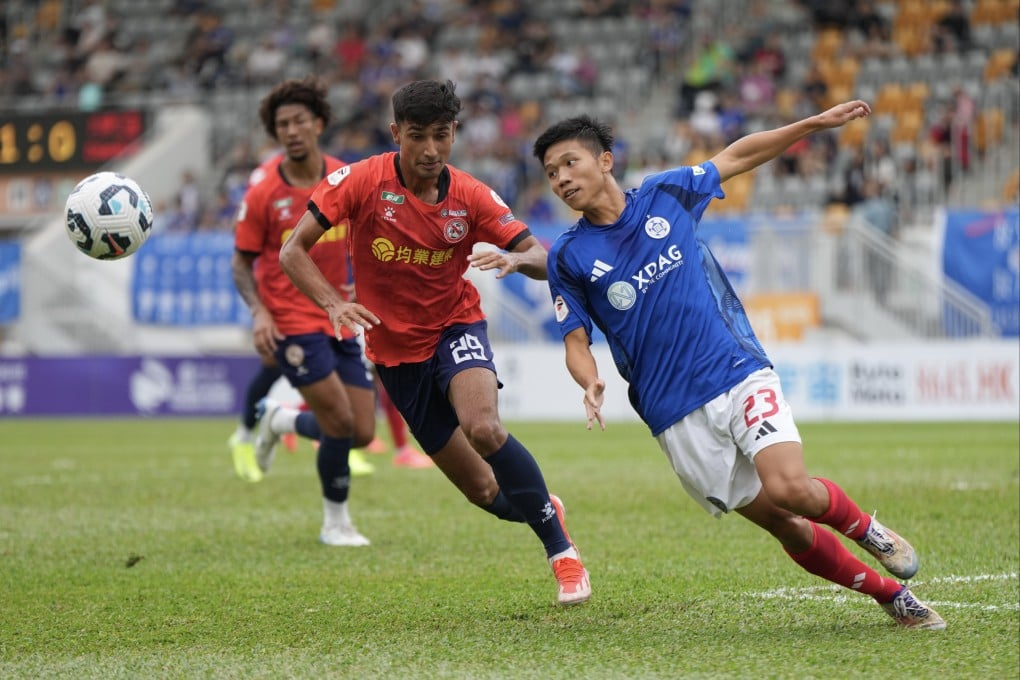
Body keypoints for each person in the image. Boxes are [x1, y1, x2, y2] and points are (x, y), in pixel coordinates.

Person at [532, 101, 945, 629]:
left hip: (736, 370)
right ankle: (892, 597)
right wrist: (589, 380)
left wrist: (812, 124)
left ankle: (868, 530)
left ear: (606, 161)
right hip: (673, 414)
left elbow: (737, 155)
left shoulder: (666, 194)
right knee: (787, 526)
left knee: (791, 487)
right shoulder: (567, 256)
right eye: (551, 174)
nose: (562, 179)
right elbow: (574, 339)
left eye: (570, 163)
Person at [279, 79, 590, 606]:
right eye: (417, 136)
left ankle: (562, 555)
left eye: (441, 136)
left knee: (485, 427)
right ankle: (542, 504)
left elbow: (542, 255)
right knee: (486, 493)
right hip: (396, 357)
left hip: (455, 327)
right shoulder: (357, 181)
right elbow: (293, 251)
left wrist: (516, 258)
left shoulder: (470, 195)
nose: (429, 150)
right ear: (395, 132)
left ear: (454, 134)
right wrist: (333, 302)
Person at [231, 76, 378, 546]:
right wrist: (259, 312)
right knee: (337, 423)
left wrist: (364, 277)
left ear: (318, 123)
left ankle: (279, 419)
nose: (291, 131)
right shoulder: (262, 193)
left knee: (360, 432)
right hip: (292, 321)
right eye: (282, 125)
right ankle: (336, 522)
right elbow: (241, 262)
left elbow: (369, 235)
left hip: (339, 315)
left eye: (299, 121)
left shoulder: (345, 177)